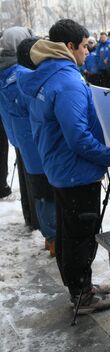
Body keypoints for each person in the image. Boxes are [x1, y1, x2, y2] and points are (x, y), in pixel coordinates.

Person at [18, 19, 110, 312]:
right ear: (69, 47)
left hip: (59, 168)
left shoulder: (45, 75)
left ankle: (80, 285)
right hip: (76, 172)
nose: (88, 51)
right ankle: (82, 294)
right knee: (80, 235)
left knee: (68, 232)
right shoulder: (67, 82)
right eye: (84, 45)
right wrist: (109, 156)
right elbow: (78, 137)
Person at [0, 29, 55, 255]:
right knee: (47, 191)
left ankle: (46, 233)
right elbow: (37, 107)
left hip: (20, 137)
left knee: (38, 189)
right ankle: (53, 239)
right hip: (35, 139)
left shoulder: (3, 72)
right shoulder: (20, 74)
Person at [0, 27, 39, 229]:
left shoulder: (4, 67)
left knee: (26, 177)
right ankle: (36, 219)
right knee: (34, 180)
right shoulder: (17, 71)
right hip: (29, 133)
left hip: (16, 131)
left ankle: (30, 217)